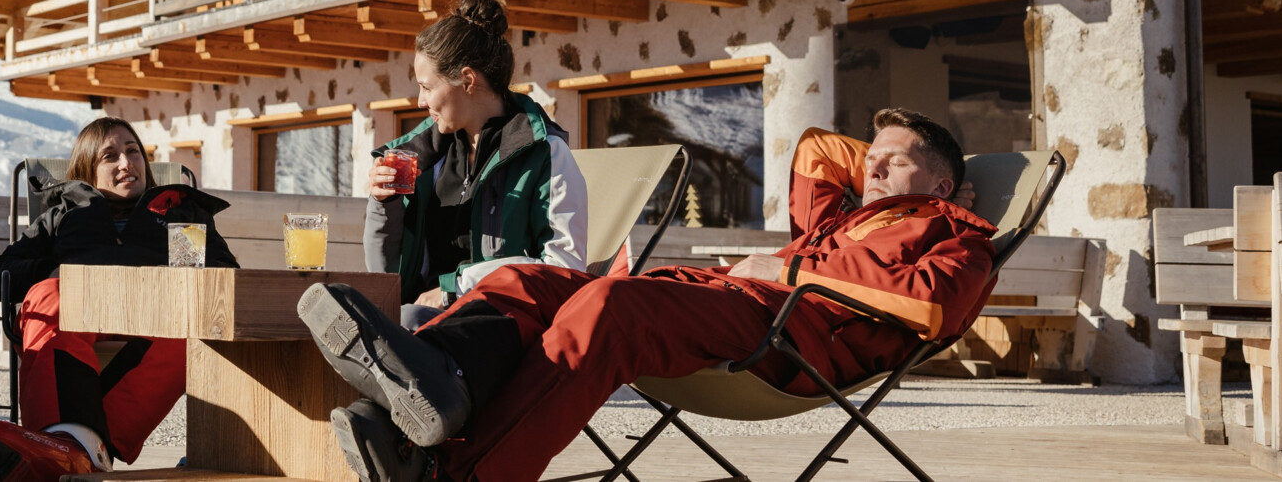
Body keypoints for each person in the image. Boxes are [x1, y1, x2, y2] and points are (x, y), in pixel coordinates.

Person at [302, 108, 996, 482]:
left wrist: (787, 272)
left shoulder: (957, 235)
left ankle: (458, 473)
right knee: (527, 280)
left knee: (609, 308)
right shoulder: (841, 217)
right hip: (729, 303)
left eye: (892, 159)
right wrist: (886, 156)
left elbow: (930, 309)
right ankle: (437, 382)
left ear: (939, 184)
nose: (870, 164)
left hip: (788, 337)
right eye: (870, 155)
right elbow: (816, 150)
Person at [0, 117, 237, 482]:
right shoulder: (64, 214)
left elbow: (228, 277)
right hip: (77, 317)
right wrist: (61, 275)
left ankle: (69, 449)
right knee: (47, 294)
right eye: (110, 156)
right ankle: (78, 450)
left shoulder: (181, 212)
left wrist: (183, 278)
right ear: (88, 171)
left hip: (159, 322)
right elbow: (2, 274)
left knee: (198, 326)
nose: (127, 163)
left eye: (133, 152)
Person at [366, 0, 588, 328]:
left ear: (468, 80)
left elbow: (563, 267)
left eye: (427, 87)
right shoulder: (421, 155)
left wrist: (455, 287)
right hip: (421, 322)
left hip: (501, 325)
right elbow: (384, 278)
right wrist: (384, 206)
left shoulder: (545, 153)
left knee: (405, 322)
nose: (419, 101)